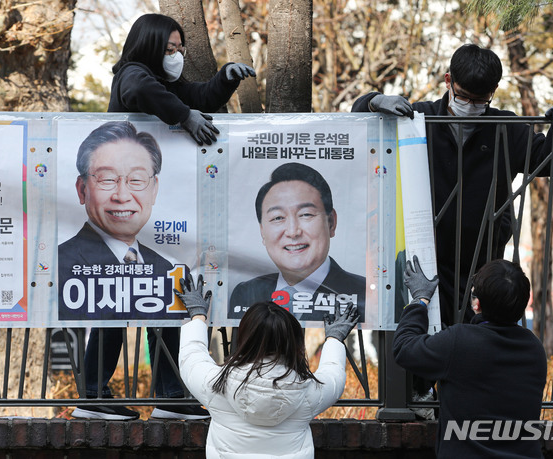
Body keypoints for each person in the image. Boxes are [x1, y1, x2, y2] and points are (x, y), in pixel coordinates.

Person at [351, 43, 553, 327]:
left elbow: (551, 162)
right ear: (448, 81)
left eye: (481, 100)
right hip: (423, 253)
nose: (471, 107)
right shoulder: (418, 118)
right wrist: (373, 102)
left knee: (475, 343)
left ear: (493, 91)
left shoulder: (505, 127)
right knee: (421, 338)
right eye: (463, 97)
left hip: (482, 259)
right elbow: (359, 125)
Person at [58, 121, 208, 420]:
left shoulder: (163, 266)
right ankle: (93, 395)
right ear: (82, 188)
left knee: (166, 313)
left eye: (137, 180)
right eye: (106, 179)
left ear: (154, 189)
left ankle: (171, 397)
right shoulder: (66, 259)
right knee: (107, 307)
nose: (122, 195)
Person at [176, 272, 360, 458]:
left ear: (245, 336)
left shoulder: (217, 385)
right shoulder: (308, 391)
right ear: (293, 342)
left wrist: (198, 314)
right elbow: (334, 375)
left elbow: (191, 357)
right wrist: (335, 338)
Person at [394, 255, 547, 458]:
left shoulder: (460, 341)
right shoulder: (534, 349)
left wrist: (420, 299)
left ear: (476, 305)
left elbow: (404, 348)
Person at [229, 162, 366, 322]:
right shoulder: (245, 293)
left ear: (331, 222)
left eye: (306, 214)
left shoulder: (364, 295)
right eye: (278, 218)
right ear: (262, 231)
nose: (293, 232)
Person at [107, 13, 256, 146]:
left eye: (180, 50)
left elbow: (201, 97)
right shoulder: (130, 73)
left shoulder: (167, 85)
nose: (177, 56)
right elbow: (139, 88)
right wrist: (185, 116)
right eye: (170, 50)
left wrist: (225, 78)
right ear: (149, 47)